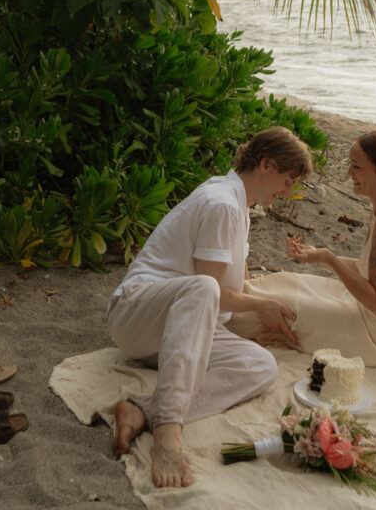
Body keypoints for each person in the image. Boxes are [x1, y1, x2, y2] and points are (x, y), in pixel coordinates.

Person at [108, 126, 313, 488]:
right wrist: (260, 306)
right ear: (265, 164)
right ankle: (168, 431)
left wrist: (269, 309)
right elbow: (212, 288)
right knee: (204, 287)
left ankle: (142, 409)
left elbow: (232, 284)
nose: (288, 191)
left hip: (178, 327)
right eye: (286, 179)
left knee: (260, 365)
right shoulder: (222, 203)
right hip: (136, 314)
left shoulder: (240, 204)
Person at [231, 129, 376, 367]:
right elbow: (375, 270)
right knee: (287, 282)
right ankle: (238, 299)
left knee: (288, 307)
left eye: (356, 166)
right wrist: (319, 257)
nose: (348, 172)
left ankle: (227, 311)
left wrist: (330, 259)